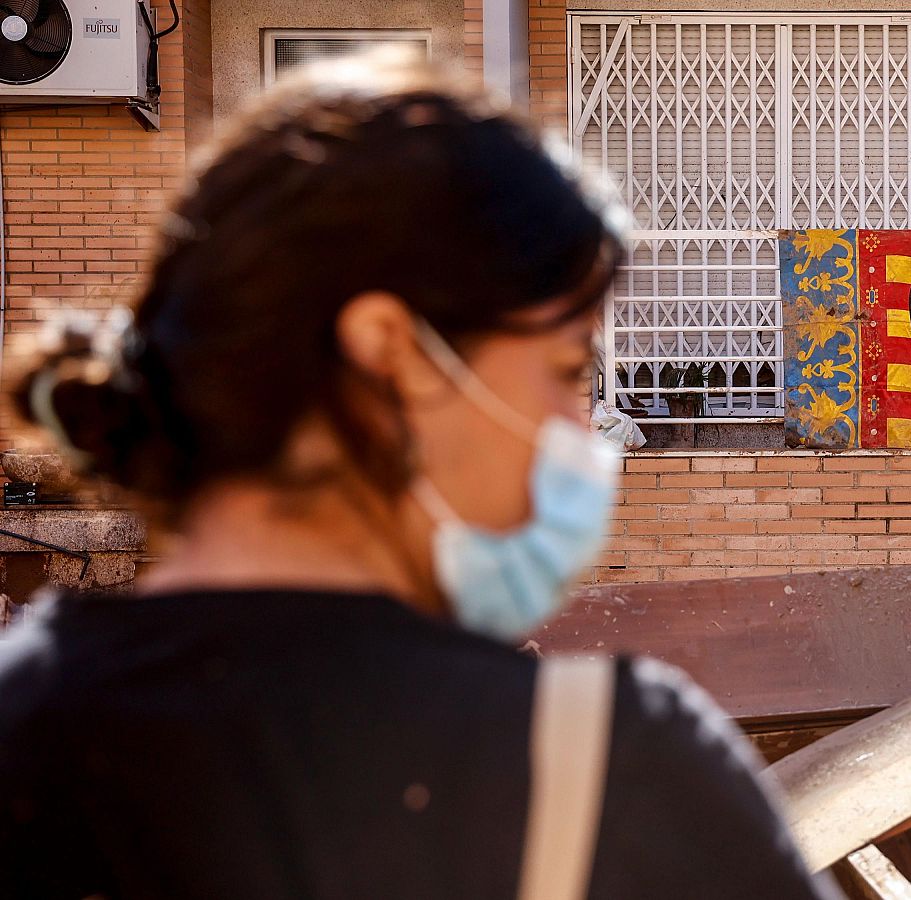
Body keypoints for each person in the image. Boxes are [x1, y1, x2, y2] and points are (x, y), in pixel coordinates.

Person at [0, 56, 841, 900]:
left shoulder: (23, 726)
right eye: (563, 365)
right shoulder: (606, 771)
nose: (577, 425)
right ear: (395, 356)